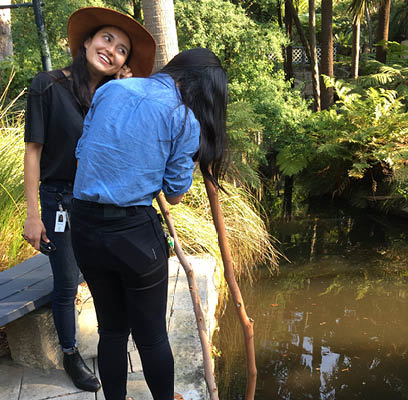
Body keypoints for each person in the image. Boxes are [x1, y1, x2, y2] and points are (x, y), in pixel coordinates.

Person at [70, 48, 229, 400]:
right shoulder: (184, 119)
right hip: (134, 236)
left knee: (111, 329)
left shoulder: (110, 90)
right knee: (152, 335)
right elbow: (173, 194)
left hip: (84, 228)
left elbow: (82, 154)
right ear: (202, 90)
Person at [22, 7, 156, 393]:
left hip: (102, 203)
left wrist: (127, 93)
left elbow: (133, 146)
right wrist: (34, 215)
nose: (112, 50)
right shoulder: (48, 86)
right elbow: (33, 150)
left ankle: (111, 341)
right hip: (60, 197)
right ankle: (69, 352)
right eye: (107, 39)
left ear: (124, 65)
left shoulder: (116, 95)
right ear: (86, 43)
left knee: (97, 278)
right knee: (66, 282)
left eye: (122, 50)